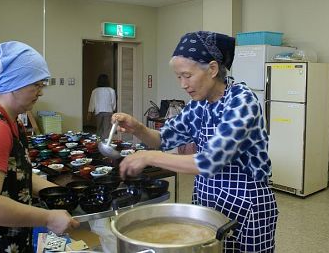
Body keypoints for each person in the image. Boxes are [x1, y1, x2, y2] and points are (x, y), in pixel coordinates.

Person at [112, 31, 278, 252]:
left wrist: (148, 156)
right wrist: (138, 128)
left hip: (246, 206)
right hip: (208, 203)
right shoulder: (198, 106)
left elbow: (210, 161)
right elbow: (163, 139)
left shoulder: (242, 101)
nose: (182, 84)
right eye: (178, 77)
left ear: (212, 69)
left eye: (187, 75)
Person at [0, 41, 79, 252]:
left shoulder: (9, 120)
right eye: (36, 85)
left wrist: (58, 192)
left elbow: (18, 174)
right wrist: (48, 218)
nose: (41, 92)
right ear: (14, 83)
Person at [87, 74, 116, 139]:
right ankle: (105, 144)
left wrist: (90, 112)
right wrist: (113, 109)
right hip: (108, 111)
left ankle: (98, 142)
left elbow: (92, 102)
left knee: (99, 128)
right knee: (107, 129)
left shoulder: (95, 91)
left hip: (98, 112)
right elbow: (113, 102)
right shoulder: (111, 90)